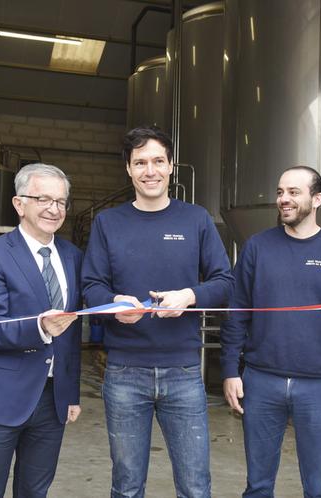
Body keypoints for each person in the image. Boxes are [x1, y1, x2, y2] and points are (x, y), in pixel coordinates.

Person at [82, 125, 233, 498]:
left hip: (182, 371)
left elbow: (225, 281)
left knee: (196, 486)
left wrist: (190, 295)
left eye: (158, 161)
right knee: (128, 485)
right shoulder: (107, 223)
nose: (150, 170)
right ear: (128, 170)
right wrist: (114, 304)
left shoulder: (196, 219)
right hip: (123, 373)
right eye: (140, 162)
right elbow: (91, 286)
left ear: (171, 167)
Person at [219, 166, 321, 498]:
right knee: (258, 486)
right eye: (280, 192)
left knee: (318, 488)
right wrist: (232, 370)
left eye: (293, 192)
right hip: (261, 381)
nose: (284, 199)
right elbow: (236, 313)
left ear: (317, 199)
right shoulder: (257, 248)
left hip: (317, 386)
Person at [0, 163, 83, 498]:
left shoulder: (73, 256)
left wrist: (70, 391)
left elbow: (73, 331)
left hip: (52, 400)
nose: (53, 209)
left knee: (35, 491)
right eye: (43, 199)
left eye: (60, 202)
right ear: (19, 204)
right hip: (0, 396)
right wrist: (39, 326)